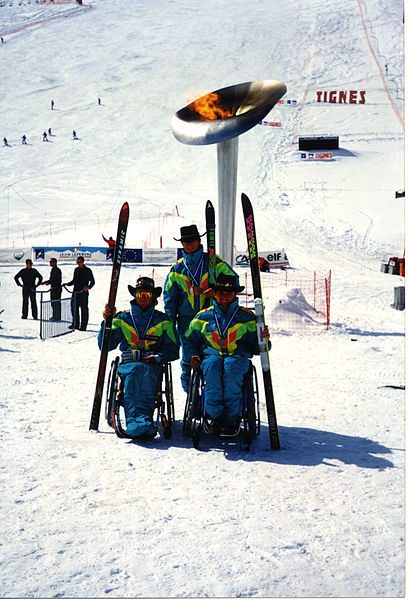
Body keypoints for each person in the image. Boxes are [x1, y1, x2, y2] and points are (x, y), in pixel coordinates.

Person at [184, 273, 271, 436]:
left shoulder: (247, 317)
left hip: (237, 356)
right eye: (220, 293)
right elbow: (189, 340)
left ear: (235, 294)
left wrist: (263, 340)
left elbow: (256, 347)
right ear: (214, 293)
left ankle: (231, 418)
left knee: (231, 369)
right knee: (213, 366)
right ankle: (213, 416)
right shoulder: (202, 317)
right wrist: (192, 356)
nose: (224, 297)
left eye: (229, 293)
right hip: (211, 356)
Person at [99, 277, 180, 438]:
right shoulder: (122, 318)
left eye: (147, 294)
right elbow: (105, 346)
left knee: (143, 372)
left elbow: (173, 350)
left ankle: (142, 422)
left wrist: (157, 357)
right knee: (135, 372)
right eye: (140, 294)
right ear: (134, 295)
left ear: (154, 297)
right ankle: (137, 423)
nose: (144, 298)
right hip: (129, 364)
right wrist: (107, 322)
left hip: (152, 365)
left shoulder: (164, 321)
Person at [163, 224, 239, 393]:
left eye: (192, 240)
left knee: (209, 357)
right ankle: (192, 399)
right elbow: (170, 298)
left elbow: (234, 282)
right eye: (185, 241)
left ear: (199, 240)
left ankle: (211, 395)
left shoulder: (214, 263)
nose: (188, 244)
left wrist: (217, 292)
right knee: (189, 359)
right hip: (186, 321)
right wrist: (170, 322)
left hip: (213, 320)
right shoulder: (177, 269)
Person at [63, 256, 95, 330]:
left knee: (84, 309)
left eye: (79, 262)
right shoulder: (76, 270)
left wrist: (88, 287)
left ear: (83, 262)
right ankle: (75, 324)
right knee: (74, 308)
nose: (78, 263)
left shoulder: (87, 270)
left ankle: (83, 326)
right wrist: (67, 284)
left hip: (83, 292)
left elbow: (92, 282)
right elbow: (74, 280)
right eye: (77, 262)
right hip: (76, 292)